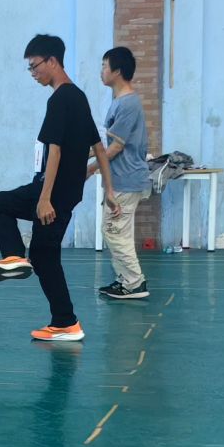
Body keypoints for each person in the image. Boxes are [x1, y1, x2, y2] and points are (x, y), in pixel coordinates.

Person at [0, 35, 121, 341]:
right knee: (45, 257)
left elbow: (54, 152)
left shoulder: (59, 99)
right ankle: (65, 322)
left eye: (34, 66)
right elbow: (99, 149)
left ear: (52, 61)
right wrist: (109, 191)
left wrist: (44, 199)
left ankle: (15, 257)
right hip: (66, 195)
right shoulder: (79, 96)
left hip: (52, 194)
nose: (33, 73)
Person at [90, 46, 150, 300]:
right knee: (115, 230)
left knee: (114, 231)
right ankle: (125, 279)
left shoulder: (128, 104)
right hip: (119, 178)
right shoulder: (120, 102)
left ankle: (134, 283)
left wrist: (89, 169)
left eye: (104, 66)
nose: (101, 71)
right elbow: (105, 145)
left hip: (126, 179)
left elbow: (115, 147)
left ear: (117, 71)